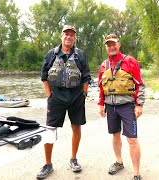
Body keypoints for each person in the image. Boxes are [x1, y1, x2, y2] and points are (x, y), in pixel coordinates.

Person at [37, 25, 91, 179]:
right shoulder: (51, 54)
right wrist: (49, 95)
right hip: (56, 97)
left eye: (72, 35)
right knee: (50, 129)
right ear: (61, 36)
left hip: (76, 97)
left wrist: (84, 94)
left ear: (74, 38)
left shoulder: (80, 55)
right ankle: (48, 164)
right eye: (66, 34)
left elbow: (86, 76)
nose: (69, 37)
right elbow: (44, 76)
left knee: (76, 127)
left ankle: (73, 159)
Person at [97, 33, 145, 180]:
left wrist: (139, 104)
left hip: (127, 107)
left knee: (132, 139)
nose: (111, 47)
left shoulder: (130, 61)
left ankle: (136, 174)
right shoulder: (104, 65)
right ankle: (119, 162)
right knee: (115, 135)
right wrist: (101, 104)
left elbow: (140, 84)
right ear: (106, 47)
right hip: (110, 107)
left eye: (114, 44)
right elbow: (101, 86)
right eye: (108, 45)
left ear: (119, 44)